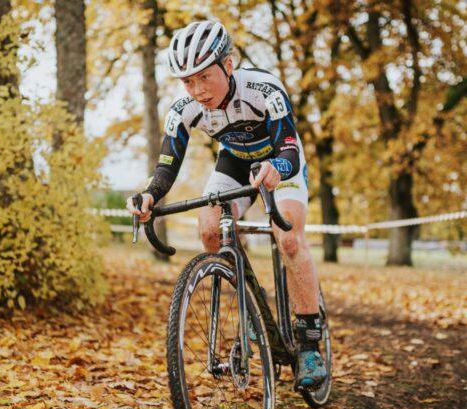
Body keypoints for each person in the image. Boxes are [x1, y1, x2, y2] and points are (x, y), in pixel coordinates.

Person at [126, 20, 327, 389]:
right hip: (235, 162)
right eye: (188, 82)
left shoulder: (265, 90)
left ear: (228, 65)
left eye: (205, 77)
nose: (198, 90)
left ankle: (310, 344)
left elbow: (289, 148)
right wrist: (150, 194)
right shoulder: (184, 109)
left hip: (281, 161)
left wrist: (277, 168)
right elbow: (167, 164)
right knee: (209, 230)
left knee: (289, 238)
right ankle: (252, 303)